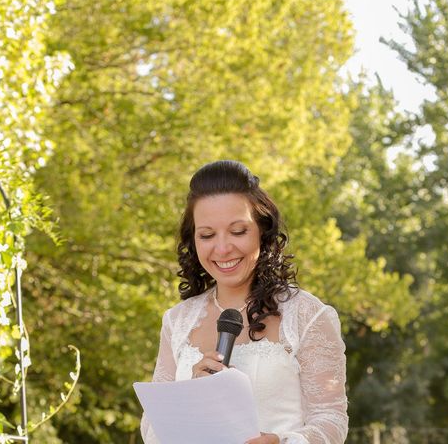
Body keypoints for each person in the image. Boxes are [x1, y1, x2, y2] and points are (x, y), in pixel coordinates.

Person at [140, 160, 348, 443]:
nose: (223, 248)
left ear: (262, 230)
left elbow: (331, 419)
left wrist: (281, 441)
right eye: (207, 235)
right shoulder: (178, 321)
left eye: (238, 231)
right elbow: (152, 428)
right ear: (193, 241)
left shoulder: (307, 315)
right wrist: (191, 399)